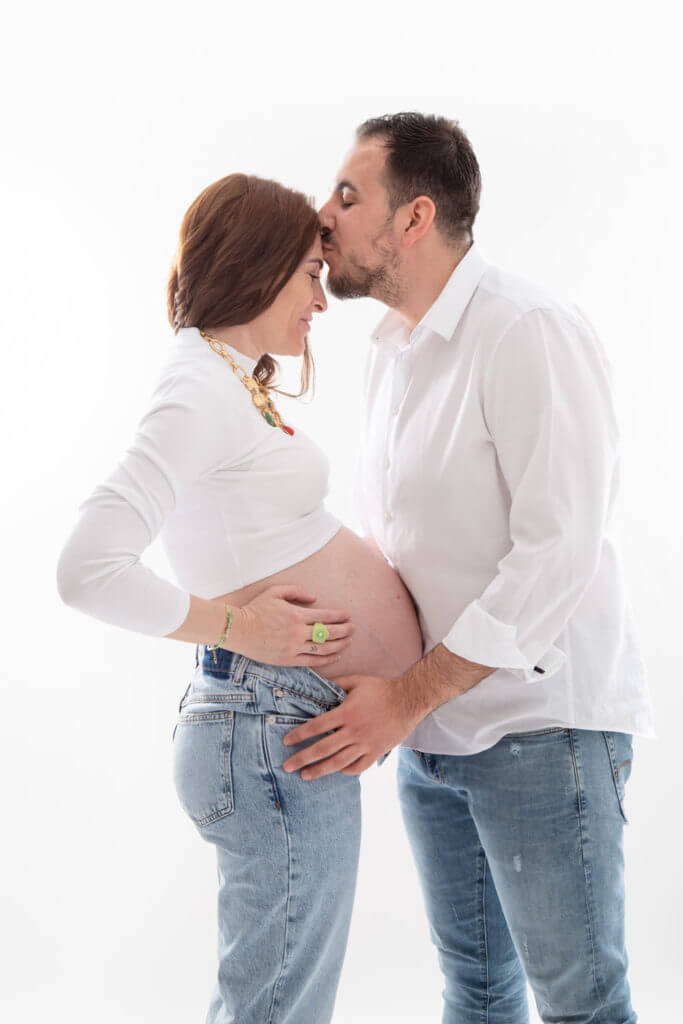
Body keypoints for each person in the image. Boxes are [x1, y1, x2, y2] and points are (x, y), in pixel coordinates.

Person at [280, 113, 655, 1023]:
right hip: (436, 739)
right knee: (477, 992)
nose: (320, 216)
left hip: (539, 733)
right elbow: (407, 552)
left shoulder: (526, 330)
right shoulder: (392, 357)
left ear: (412, 218)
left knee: (580, 1003)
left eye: (346, 194)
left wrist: (406, 696)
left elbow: (555, 552)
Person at [55, 172, 424, 1024]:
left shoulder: (227, 379)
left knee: (280, 1002)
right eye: (305, 272)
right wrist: (238, 626)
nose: (320, 301)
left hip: (275, 725)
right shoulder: (196, 390)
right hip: (269, 730)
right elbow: (86, 568)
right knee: (276, 1008)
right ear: (256, 269)